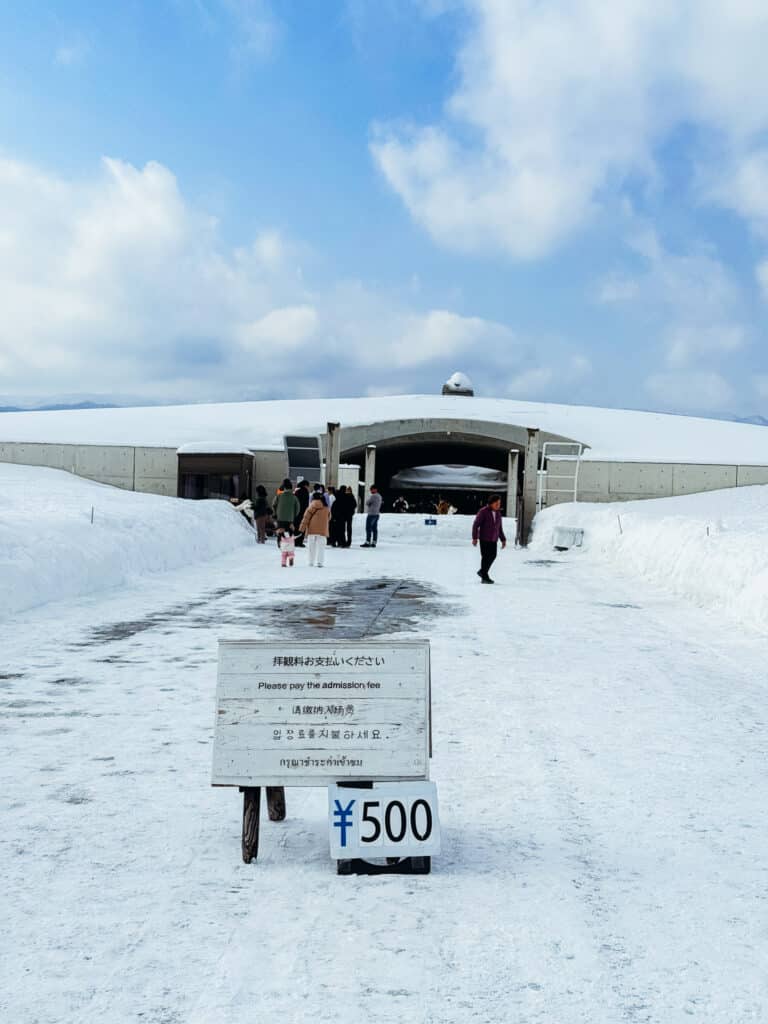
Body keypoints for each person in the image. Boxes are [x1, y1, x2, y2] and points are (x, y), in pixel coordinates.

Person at [471, 493, 506, 583]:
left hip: (493, 539)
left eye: (499, 503)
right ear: (491, 503)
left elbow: (499, 528)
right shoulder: (483, 511)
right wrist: (475, 538)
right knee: (486, 557)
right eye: (496, 503)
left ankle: (482, 572)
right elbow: (475, 525)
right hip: (484, 538)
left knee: (493, 556)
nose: (498, 505)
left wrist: (503, 539)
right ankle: (484, 577)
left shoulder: (498, 513)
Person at [300, 489, 330, 566]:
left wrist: (302, 528)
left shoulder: (312, 505)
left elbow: (306, 517)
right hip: (323, 530)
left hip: (312, 529)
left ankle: (311, 562)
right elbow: (329, 518)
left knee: (311, 547)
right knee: (321, 547)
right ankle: (320, 562)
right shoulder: (326, 507)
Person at [293, 479, 311, 545]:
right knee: (302, 527)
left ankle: (295, 541)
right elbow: (306, 503)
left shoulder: (297, 491)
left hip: (297, 512)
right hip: (303, 511)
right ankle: (300, 542)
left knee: (296, 526)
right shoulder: (305, 491)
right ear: (305, 485)